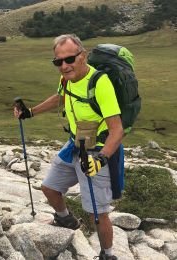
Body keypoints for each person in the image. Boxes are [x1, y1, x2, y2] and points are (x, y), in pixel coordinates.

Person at [14, 34, 123, 260]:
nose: (64, 66)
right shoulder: (66, 80)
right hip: (74, 144)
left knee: (98, 212)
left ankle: (108, 255)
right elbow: (60, 98)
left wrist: (101, 159)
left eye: (70, 59)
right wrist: (30, 112)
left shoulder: (100, 83)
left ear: (82, 56)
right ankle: (66, 220)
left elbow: (117, 130)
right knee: (49, 188)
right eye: (58, 62)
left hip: (97, 150)